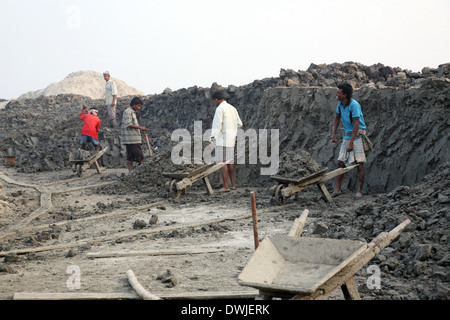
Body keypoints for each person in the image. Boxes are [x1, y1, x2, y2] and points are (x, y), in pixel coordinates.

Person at [331, 83, 367, 198]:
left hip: (358, 136)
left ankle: (360, 191)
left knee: (360, 164)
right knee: (340, 161)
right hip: (347, 135)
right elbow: (337, 118)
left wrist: (352, 142)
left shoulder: (354, 105)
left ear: (345, 95)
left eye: (338, 93)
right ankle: (337, 189)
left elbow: (356, 123)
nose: (336, 94)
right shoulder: (340, 104)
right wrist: (333, 134)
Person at [210, 91, 243, 192]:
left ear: (216, 99)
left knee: (222, 162)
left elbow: (217, 125)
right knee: (229, 162)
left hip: (222, 140)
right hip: (231, 140)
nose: (214, 102)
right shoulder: (232, 108)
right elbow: (239, 123)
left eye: (214, 101)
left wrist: (212, 139)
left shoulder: (220, 108)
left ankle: (225, 186)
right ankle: (233, 185)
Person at [121, 97, 147, 171]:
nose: (139, 108)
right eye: (138, 106)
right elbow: (128, 124)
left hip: (131, 139)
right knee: (139, 156)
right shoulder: (128, 112)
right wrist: (141, 128)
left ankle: (131, 173)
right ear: (134, 104)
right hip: (132, 139)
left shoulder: (131, 112)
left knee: (130, 156)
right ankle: (142, 172)